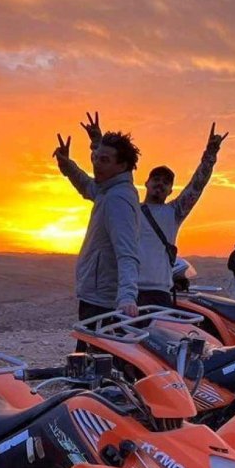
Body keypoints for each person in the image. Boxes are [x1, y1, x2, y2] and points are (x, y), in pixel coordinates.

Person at [55, 112, 141, 321]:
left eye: (104, 160)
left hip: (105, 302)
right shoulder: (108, 190)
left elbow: (127, 252)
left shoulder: (117, 199)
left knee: (96, 354)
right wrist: (67, 165)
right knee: (88, 354)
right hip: (98, 295)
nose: (96, 164)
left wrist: (127, 297)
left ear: (121, 166)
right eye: (95, 158)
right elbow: (87, 186)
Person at [134, 122, 228, 308]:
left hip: (160, 291)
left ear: (170, 190)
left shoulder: (174, 212)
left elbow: (196, 186)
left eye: (166, 183)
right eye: (156, 179)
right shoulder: (131, 210)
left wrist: (210, 155)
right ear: (146, 182)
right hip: (130, 291)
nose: (160, 184)